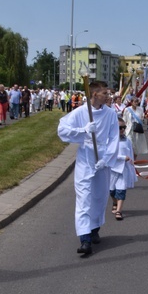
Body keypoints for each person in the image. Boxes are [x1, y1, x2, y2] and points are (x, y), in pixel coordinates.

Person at [57, 81, 120, 256]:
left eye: (108, 93)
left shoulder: (110, 114)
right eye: (104, 94)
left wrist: (106, 158)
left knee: (99, 197)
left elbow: (114, 138)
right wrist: (83, 131)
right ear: (94, 95)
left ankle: (94, 228)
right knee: (84, 197)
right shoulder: (81, 112)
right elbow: (62, 130)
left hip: (103, 159)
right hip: (86, 158)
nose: (108, 96)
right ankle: (84, 238)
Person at [109, 118, 137, 221]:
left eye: (123, 128)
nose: (122, 130)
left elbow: (130, 154)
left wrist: (132, 164)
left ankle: (119, 211)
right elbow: (108, 155)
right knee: (111, 190)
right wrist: (122, 158)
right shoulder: (109, 140)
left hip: (123, 169)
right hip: (112, 169)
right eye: (119, 128)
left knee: (121, 190)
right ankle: (115, 202)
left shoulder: (127, 140)